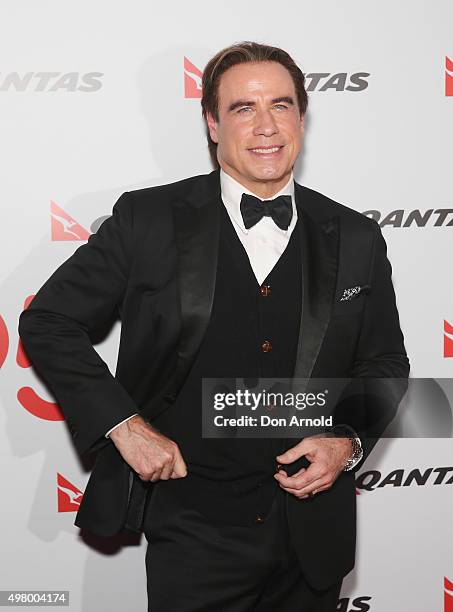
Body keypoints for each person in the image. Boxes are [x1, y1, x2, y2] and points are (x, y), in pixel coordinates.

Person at [18, 41, 410, 611]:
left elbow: (385, 364)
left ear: (302, 116)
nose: (266, 126)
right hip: (194, 532)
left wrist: (345, 440)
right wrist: (124, 425)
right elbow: (50, 320)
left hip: (313, 537)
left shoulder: (355, 236)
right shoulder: (147, 220)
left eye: (280, 105)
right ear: (211, 122)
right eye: (243, 108)